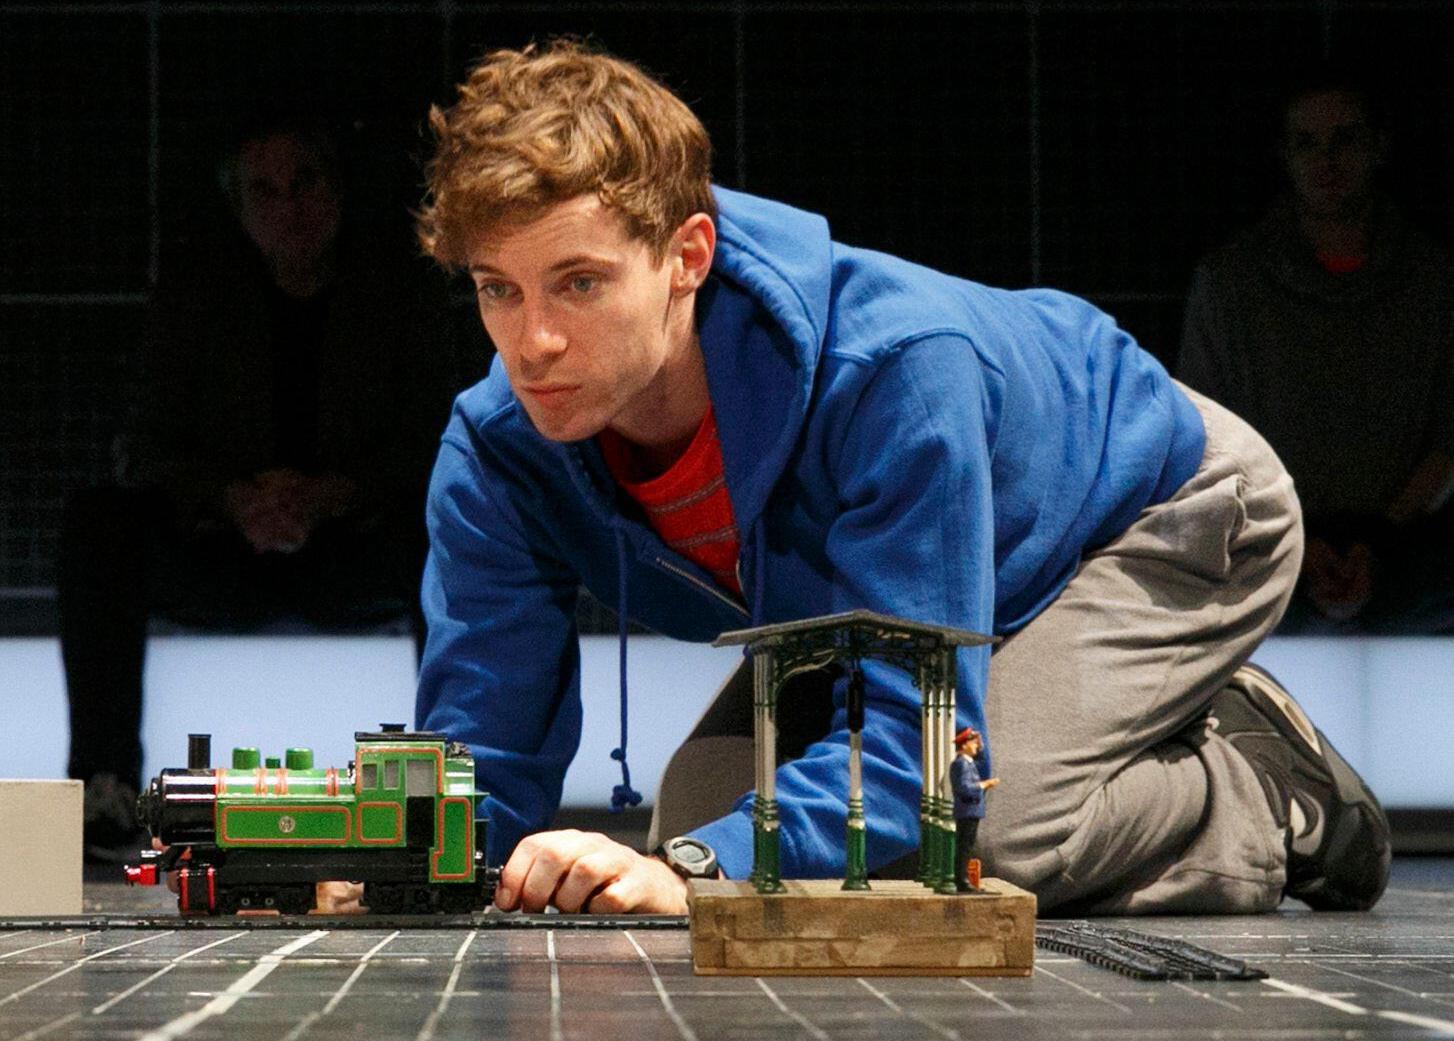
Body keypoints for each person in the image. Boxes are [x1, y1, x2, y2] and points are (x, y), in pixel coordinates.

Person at [412, 40, 1390, 918]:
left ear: (685, 257)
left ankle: (1269, 787)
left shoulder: (890, 371)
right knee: (701, 817)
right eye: (498, 289)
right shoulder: (500, 444)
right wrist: (386, 864)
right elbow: (481, 758)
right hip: (925, 588)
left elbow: (908, 769)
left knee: (975, 836)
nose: (531, 343)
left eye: (578, 283)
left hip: (1155, 510)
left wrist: (700, 870)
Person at [61, 116, 459, 860]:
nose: (290, 205)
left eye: (305, 181)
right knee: (98, 522)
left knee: (455, 522)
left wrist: (332, 492)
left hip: (353, 544)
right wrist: (234, 499)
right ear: (241, 210)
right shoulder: (196, 298)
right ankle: (105, 786)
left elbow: (437, 436)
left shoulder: (393, 293)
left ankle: (453, 782)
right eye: (265, 190)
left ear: (336, 191)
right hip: (227, 547)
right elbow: (142, 446)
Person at [1179, 69, 1454, 633]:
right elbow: (1203, 433)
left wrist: (1380, 542)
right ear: (1284, 155)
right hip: (1265, 559)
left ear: (1380, 147)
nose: (1327, 161)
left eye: (1345, 140)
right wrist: (1298, 543)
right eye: (1307, 144)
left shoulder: (1434, 282)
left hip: (1416, 566)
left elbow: (1450, 439)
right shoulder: (1232, 283)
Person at [950, 727, 999, 893]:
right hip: (966, 810)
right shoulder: (961, 764)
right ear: (964, 745)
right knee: (964, 846)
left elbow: (982, 755)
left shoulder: (968, 763)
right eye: (973, 743)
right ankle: (961, 880)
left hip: (971, 810)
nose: (976, 746)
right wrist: (984, 784)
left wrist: (980, 742)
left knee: (967, 845)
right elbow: (964, 788)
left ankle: (963, 880)